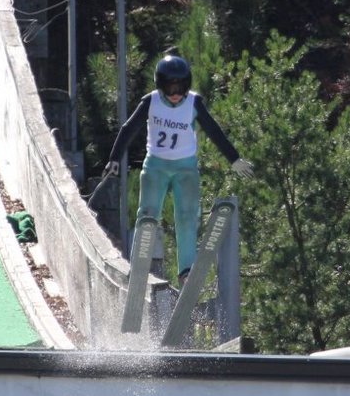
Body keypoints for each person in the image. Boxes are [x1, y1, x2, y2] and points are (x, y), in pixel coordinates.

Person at [104, 53, 254, 285]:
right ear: (160, 85)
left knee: (186, 217)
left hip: (186, 169)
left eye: (180, 88)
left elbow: (214, 131)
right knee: (148, 213)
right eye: (169, 88)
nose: (175, 94)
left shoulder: (193, 102)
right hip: (156, 166)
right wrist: (114, 158)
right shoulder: (151, 101)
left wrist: (234, 159)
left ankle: (186, 269)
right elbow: (128, 129)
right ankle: (140, 264)